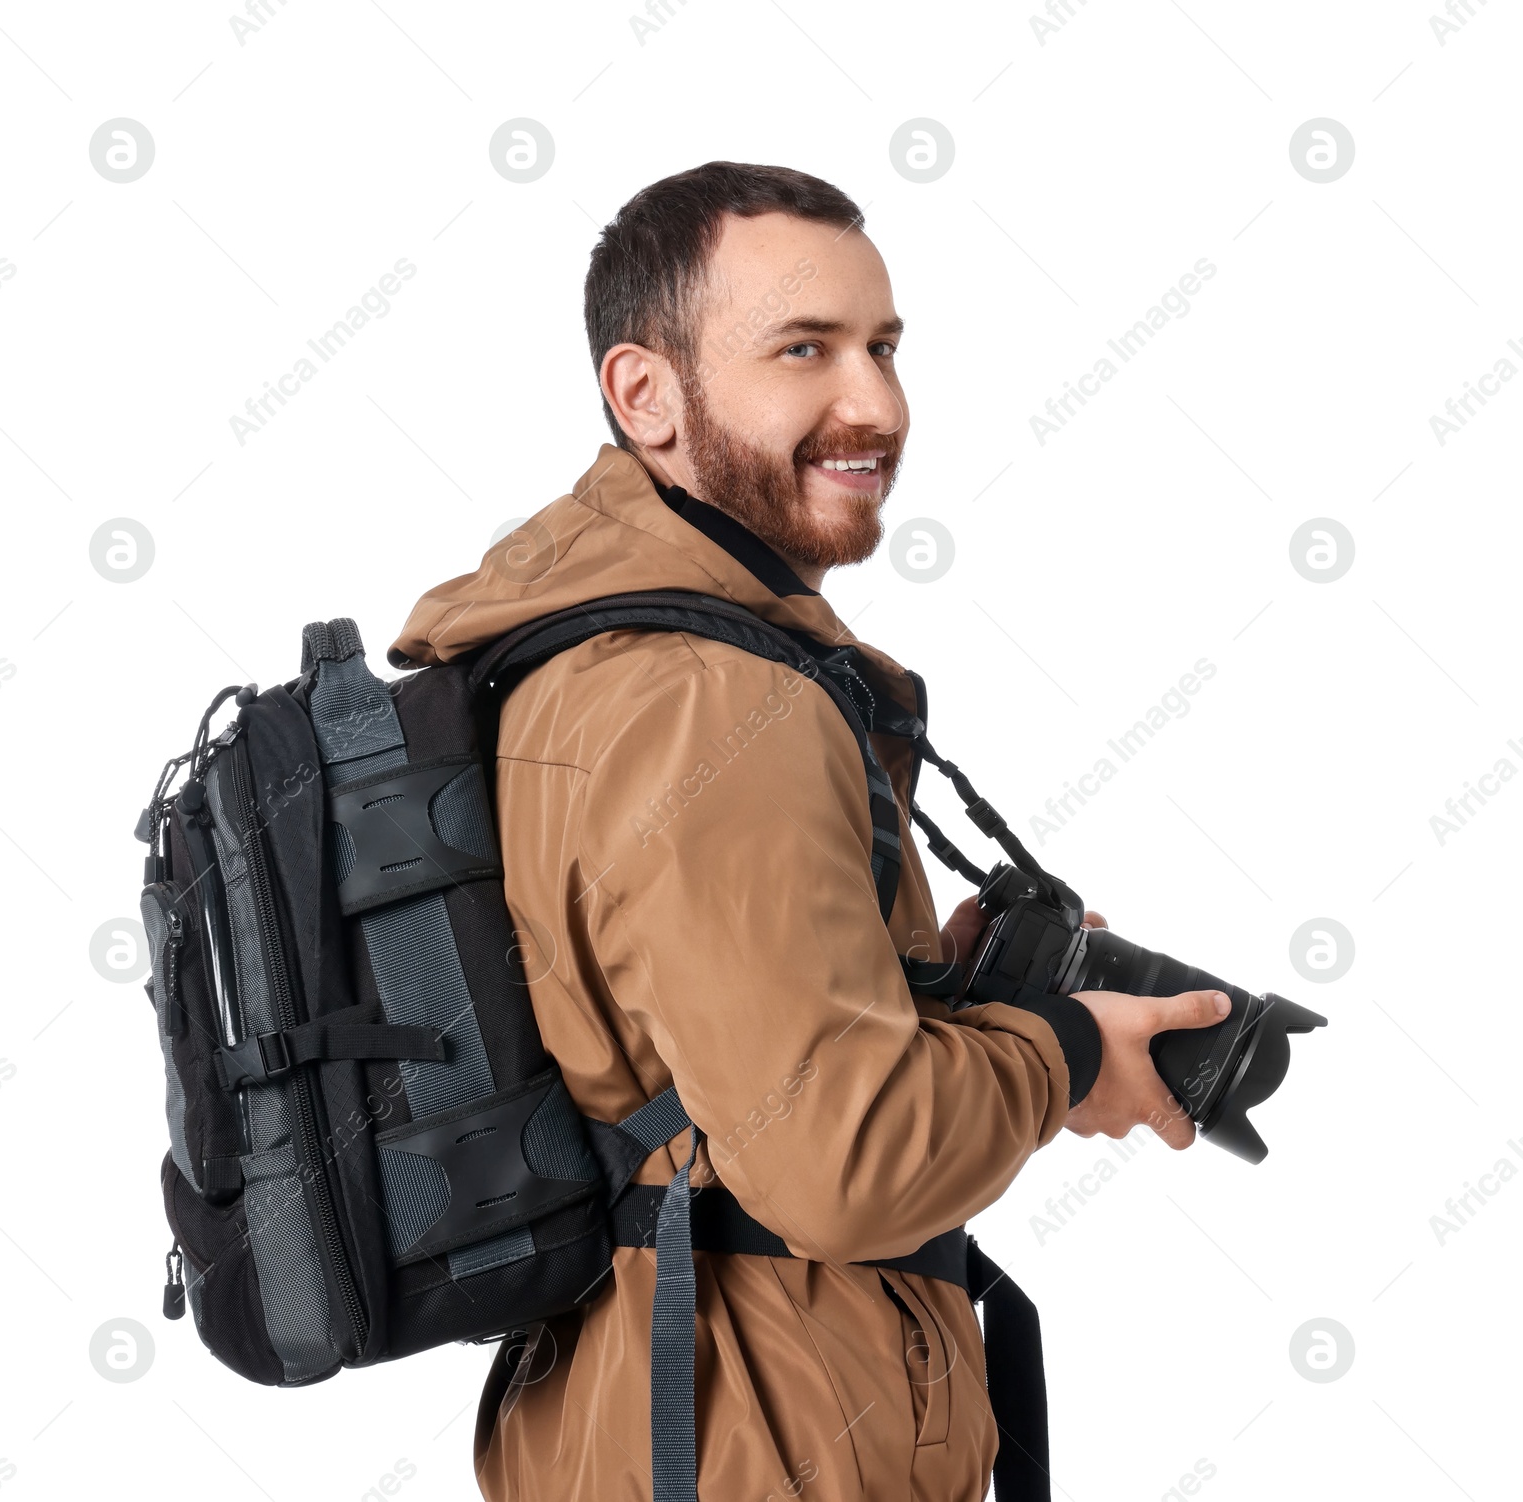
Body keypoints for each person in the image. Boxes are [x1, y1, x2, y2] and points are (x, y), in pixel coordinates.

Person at [391, 161, 1230, 1502]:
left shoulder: (576, 655)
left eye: (883, 347)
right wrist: (1067, 1050)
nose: (876, 405)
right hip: (761, 1445)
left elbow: (680, 1052)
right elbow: (843, 1159)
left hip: (655, 1420)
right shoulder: (711, 696)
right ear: (642, 393)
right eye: (804, 350)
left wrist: (930, 995)